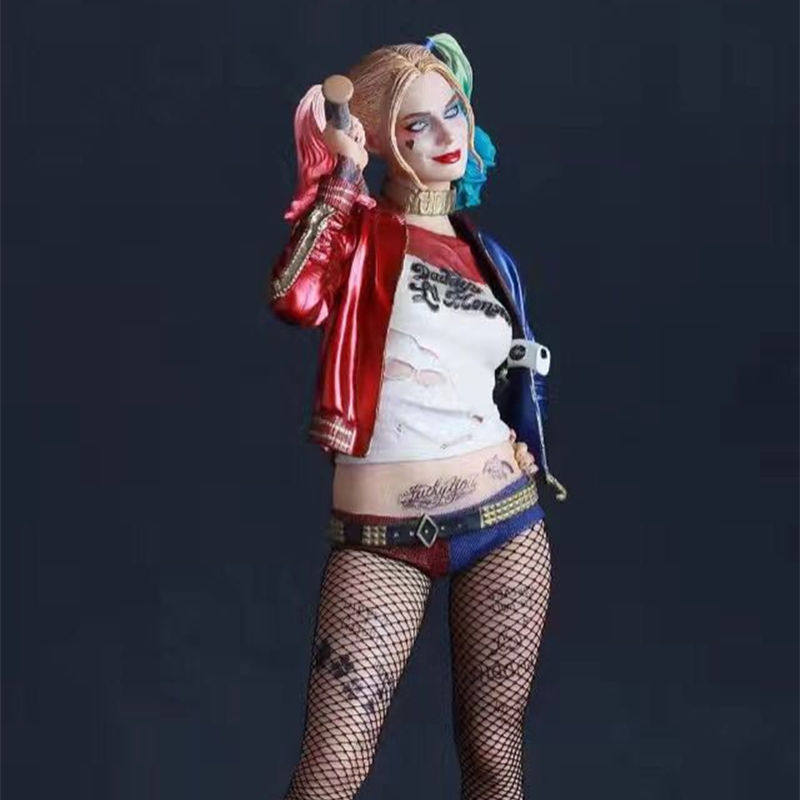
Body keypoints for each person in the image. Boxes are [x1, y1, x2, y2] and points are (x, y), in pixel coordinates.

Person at [266, 33, 567, 800]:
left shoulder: (490, 256)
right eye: (416, 124)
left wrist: (525, 445)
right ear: (377, 138)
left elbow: (506, 375)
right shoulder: (360, 231)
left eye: (453, 112)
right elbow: (295, 298)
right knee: (333, 770)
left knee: (495, 758)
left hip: (505, 521)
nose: (445, 135)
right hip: (384, 538)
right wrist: (343, 180)